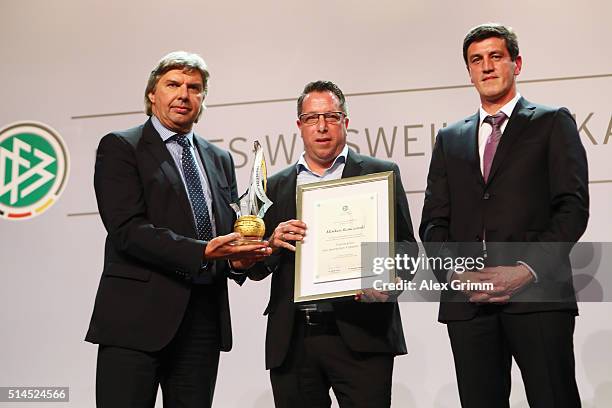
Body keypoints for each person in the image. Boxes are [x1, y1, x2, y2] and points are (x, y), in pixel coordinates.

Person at [85, 51, 270, 408]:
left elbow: (225, 233)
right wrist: (201, 251)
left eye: (194, 87)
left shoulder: (220, 159)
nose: (184, 94)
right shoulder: (122, 147)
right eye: (173, 84)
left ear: (202, 99)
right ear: (152, 94)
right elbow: (127, 229)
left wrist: (241, 260)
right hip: (134, 322)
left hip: (201, 322)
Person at [420, 23, 589, 408]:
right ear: (469, 72)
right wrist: (456, 272)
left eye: (496, 56)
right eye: (476, 60)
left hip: (537, 295)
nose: (487, 66)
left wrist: (525, 269)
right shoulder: (450, 138)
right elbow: (433, 221)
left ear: (517, 63)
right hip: (468, 304)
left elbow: (572, 207)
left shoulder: (550, 122)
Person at [248, 80, 416, 408]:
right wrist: (271, 243)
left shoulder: (380, 173)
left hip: (362, 332)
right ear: (299, 125)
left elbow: (407, 249)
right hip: (294, 338)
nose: (322, 127)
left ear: (345, 122)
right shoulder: (275, 184)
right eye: (312, 119)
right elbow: (252, 268)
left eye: (331, 117)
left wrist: (388, 282)